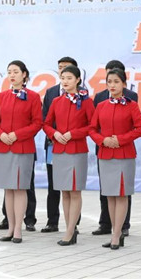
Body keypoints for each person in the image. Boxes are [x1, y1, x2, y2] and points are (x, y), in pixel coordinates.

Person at [89, 68, 141, 250]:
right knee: (110, 195)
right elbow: (92, 129)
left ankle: (117, 234)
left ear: (124, 84)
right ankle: (116, 232)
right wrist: (103, 140)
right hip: (105, 154)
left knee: (121, 194)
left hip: (124, 154)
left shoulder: (131, 105)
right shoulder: (101, 105)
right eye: (109, 82)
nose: (112, 85)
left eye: (116, 82)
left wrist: (121, 139)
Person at [0, 60, 42, 243]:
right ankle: (10, 227)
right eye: (9, 72)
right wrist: (1, 134)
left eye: (15, 72)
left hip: (22, 148)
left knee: (20, 188)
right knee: (8, 189)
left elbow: (37, 123)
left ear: (24, 74)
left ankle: (19, 228)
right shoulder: (2, 96)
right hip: (3, 147)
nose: (12, 75)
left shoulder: (33, 97)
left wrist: (17, 135)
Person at [43, 65, 95, 246]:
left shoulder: (86, 101)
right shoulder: (56, 101)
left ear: (78, 80)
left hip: (77, 150)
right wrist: (54, 134)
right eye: (63, 78)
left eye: (69, 78)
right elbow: (46, 123)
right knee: (64, 192)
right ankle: (69, 229)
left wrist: (73, 134)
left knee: (75, 191)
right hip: (59, 150)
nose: (65, 81)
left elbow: (92, 126)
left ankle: (71, 230)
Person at [41, 56, 78, 233]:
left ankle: (73, 224)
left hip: (73, 145)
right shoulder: (51, 92)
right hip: (53, 144)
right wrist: (55, 134)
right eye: (60, 68)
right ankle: (52, 221)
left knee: (72, 186)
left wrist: (70, 134)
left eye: (67, 68)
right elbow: (45, 119)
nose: (62, 71)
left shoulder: (82, 96)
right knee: (54, 184)